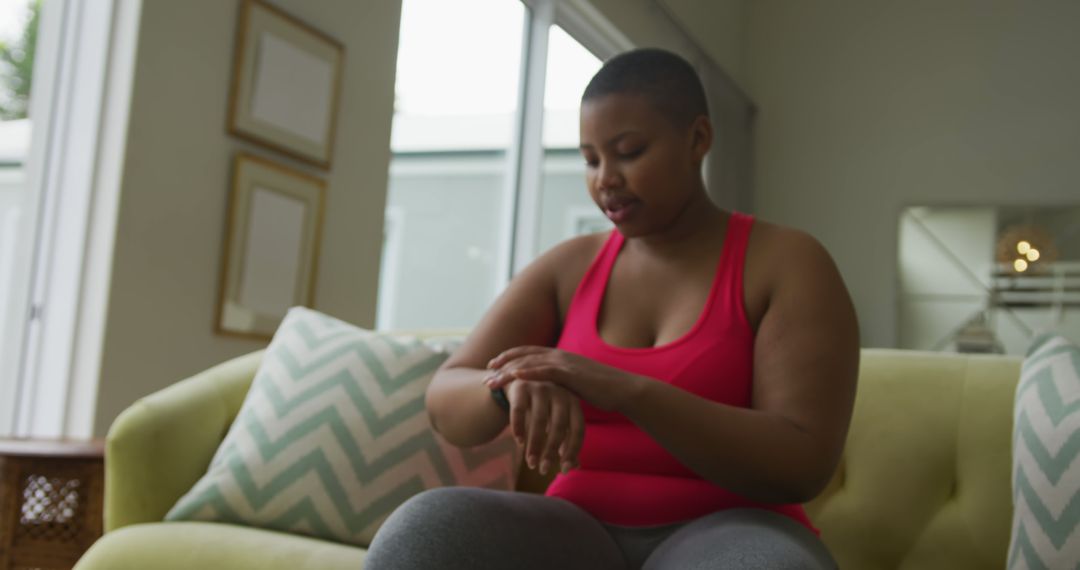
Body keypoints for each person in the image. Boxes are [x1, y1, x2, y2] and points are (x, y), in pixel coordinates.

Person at [364, 47, 858, 569]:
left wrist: (624, 389)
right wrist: (509, 387)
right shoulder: (568, 267)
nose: (605, 179)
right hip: (577, 532)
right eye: (590, 158)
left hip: (734, 529)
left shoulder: (787, 262)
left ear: (697, 140)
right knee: (424, 532)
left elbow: (802, 463)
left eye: (629, 151)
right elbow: (447, 397)